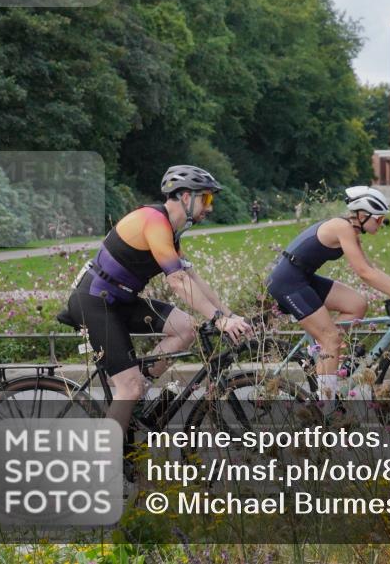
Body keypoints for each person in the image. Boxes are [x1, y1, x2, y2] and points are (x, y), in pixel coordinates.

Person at [64, 165, 252, 432]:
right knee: (128, 387)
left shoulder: (171, 232)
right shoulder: (154, 220)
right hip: (95, 301)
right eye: (206, 198)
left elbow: (193, 277)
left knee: (186, 327)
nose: (210, 208)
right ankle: (105, 462)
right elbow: (177, 281)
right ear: (186, 197)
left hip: (120, 300)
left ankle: (138, 394)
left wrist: (229, 315)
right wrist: (218, 318)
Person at [266, 186, 390, 399]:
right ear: (362, 214)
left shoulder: (352, 232)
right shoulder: (342, 227)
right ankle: (325, 406)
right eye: (377, 218)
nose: (381, 222)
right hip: (287, 283)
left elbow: (371, 268)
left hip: (303, 278)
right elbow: (364, 273)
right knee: (330, 337)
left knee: (356, 304)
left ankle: (327, 359)